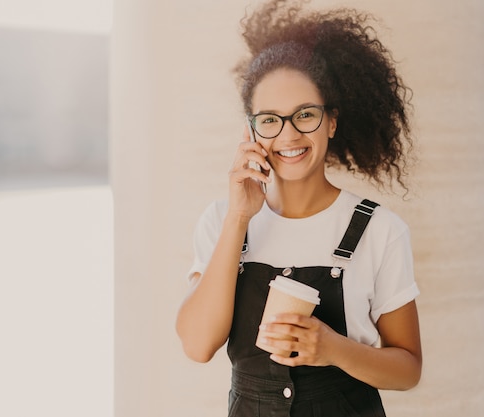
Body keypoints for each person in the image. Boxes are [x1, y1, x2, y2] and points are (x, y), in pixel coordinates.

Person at [176, 1, 422, 415]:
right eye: (270, 119)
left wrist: (333, 349)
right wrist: (239, 219)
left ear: (331, 121)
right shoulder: (222, 220)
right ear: (251, 129)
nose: (288, 134)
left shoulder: (380, 230)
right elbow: (198, 346)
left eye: (305, 114)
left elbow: (409, 368)